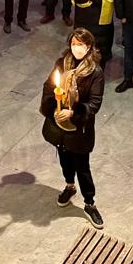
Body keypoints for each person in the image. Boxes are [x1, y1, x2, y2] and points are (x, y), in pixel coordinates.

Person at [40, 28, 106, 230]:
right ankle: (69, 186)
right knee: (65, 159)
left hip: (79, 130)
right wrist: (54, 109)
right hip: (60, 127)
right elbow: (49, 88)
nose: (77, 48)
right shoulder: (62, 64)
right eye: (74, 44)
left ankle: (89, 202)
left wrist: (73, 112)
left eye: (82, 45)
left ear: (89, 47)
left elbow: (94, 103)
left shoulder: (95, 72)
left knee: (82, 167)